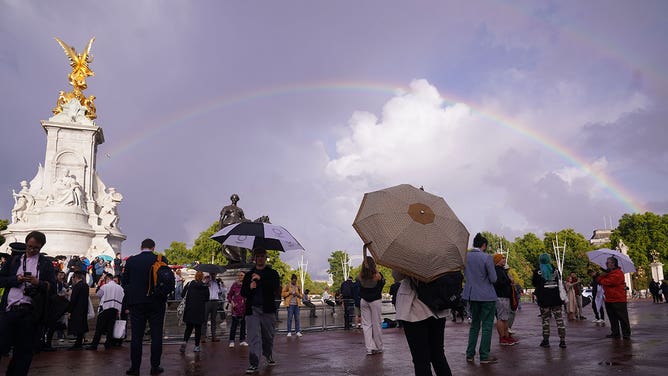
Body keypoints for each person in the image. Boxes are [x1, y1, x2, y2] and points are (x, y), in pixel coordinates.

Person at [0, 231, 56, 375]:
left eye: (36, 248)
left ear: (41, 247)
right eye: (30, 246)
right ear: (26, 244)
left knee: (24, 353)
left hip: (30, 313)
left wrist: (38, 283)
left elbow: (53, 288)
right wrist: (16, 279)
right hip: (10, 310)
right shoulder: (14, 261)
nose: (32, 250)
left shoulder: (45, 264)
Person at [121, 239, 168, 375]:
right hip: (157, 302)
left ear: (141, 247)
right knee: (156, 336)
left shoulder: (131, 261)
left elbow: (125, 281)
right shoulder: (160, 259)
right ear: (153, 247)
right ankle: (155, 366)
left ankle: (135, 367)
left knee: (136, 336)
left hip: (137, 303)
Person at [393, 270, 452, 376]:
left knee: (421, 359)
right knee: (438, 355)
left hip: (414, 309)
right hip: (437, 306)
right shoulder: (440, 255)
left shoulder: (407, 254)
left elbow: (397, 276)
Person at [241, 247, 281, 374]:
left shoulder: (272, 273)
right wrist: (250, 287)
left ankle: (268, 354)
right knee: (253, 337)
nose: (260, 258)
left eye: (262, 256)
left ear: (265, 257)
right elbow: (243, 293)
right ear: (254, 258)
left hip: (267, 310)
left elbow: (275, 288)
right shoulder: (248, 275)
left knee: (268, 337)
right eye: (257, 256)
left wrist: (261, 279)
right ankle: (254, 362)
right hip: (252, 310)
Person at [463, 233, 498, 364]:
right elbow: (493, 278)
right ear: (484, 245)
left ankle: (470, 354)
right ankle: (484, 355)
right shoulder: (486, 258)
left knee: (474, 325)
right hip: (486, 295)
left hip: (472, 294)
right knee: (487, 326)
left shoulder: (466, 257)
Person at [532, 253, 567, 348]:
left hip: (544, 299)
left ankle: (546, 340)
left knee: (545, 321)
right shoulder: (555, 270)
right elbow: (559, 281)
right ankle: (562, 340)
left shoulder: (538, 271)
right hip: (556, 299)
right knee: (559, 320)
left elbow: (534, 283)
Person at [357, 247, 385, 356]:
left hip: (364, 301)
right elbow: (381, 283)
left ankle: (369, 348)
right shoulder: (378, 276)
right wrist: (376, 269)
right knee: (376, 324)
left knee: (366, 325)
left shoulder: (360, 276)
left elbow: (358, 281)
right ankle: (378, 346)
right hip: (375, 301)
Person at [86, 272, 124, 350]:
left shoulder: (105, 286)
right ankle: (108, 344)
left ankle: (94, 345)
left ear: (107, 279)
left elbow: (98, 295)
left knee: (99, 328)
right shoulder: (120, 288)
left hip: (105, 308)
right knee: (110, 328)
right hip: (115, 309)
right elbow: (123, 297)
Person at [597, 257, 631, 339]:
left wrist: (602, 276)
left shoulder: (618, 273)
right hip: (609, 298)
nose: (606, 264)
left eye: (608, 263)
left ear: (613, 263)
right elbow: (599, 280)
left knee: (622, 318)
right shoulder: (609, 273)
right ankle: (615, 332)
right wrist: (603, 276)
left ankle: (626, 334)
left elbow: (607, 282)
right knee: (612, 318)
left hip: (618, 299)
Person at [180, 271, 208, 353]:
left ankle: (185, 342)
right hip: (199, 310)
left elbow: (182, 294)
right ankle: (196, 346)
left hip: (189, 309)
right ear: (202, 277)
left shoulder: (189, 284)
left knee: (188, 328)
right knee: (198, 329)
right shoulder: (205, 286)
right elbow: (207, 298)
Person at [492, 254, 518, 346]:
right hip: (501, 296)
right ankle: (502, 337)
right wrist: (509, 281)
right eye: (502, 258)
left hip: (504, 296)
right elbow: (498, 283)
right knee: (501, 318)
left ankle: (506, 336)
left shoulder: (501, 270)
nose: (504, 259)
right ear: (498, 260)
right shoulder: (497, 270)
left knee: (505, 318)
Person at [67, 271, 89, 350]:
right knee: (81, 326)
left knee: (77, 326)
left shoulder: (76, 286)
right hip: (84, 308)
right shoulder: (85, 286)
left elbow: (73, 299)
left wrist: (69, 310)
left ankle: (77, 344)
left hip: (77, 309)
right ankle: (79, 343)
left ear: (75, 277)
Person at [227, 271, 248, 347]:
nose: (240, 277)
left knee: (243, 325)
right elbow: (229, 295)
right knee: (234, 325)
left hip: (244, 308)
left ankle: (242, 340)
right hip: (236, 308)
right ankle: (231, 340)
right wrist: (232, 302)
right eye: (238, 275)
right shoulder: (234, 285)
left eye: (242, 275)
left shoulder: (247, 285)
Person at [201, 272, 223, 342]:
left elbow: (222, 291)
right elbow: (202, 289)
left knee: (213, 319)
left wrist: (222, 284)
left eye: (215, 274)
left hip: (215, 301)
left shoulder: (217, 282)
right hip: (207, 301)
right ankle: (203, 336)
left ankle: (214, 336)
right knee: (205, 319)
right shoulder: (206, 281)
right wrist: (206, 283)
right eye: (212, 274)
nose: (214, 275)